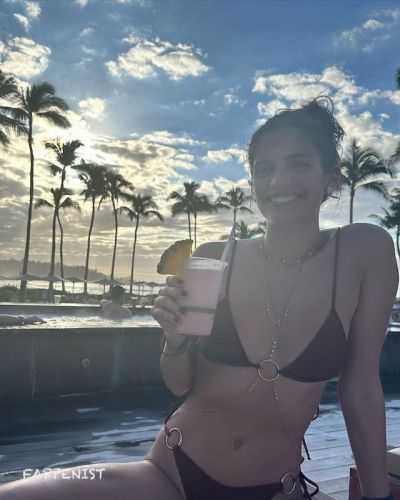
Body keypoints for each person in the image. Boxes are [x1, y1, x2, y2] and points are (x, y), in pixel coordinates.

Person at [0, 97, 397, 500]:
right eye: (265, 169)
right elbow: (180, 383)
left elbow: (361, 388)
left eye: (298, 164)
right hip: (171, 472)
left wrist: (377, 495)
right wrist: (174, 341)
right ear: (253, 182)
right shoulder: (214, 259)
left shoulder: (363, 251)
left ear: (331, 178)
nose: (279, 181)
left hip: (277, 488)